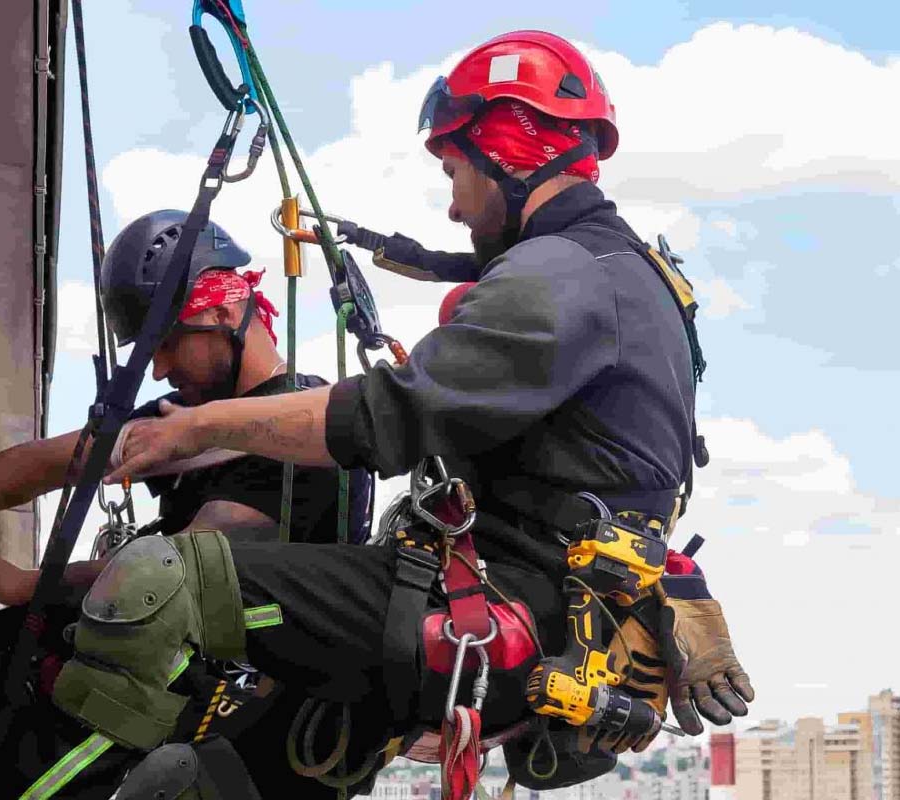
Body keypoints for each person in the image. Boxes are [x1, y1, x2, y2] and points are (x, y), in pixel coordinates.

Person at [52, 28, 754, 796]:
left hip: (498, 618)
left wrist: (196, 424)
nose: (452, 205)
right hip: (535, 622)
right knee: (230, 774)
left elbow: (380, 421)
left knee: (161, 580)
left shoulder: (564, 275)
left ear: (508, 146)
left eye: (455, 169)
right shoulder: (634, 278)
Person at [0, 211, 373, 799]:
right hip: (140, 675)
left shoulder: (301, 434)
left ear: (225, 312)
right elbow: (57, 460)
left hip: (201, 705)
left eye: (167, 342)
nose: (158, 368)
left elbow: (186, 574)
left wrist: (25, 585)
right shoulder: (192, 421)